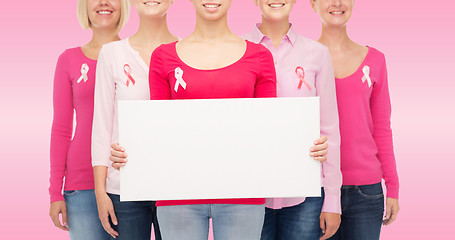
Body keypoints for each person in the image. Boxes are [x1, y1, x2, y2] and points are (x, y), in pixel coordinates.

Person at [243, 1, 342, 240]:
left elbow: (329, 128)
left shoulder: (317, 53)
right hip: (249, 192)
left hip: (305, 195)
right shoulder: (236, 49)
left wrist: (332, 200)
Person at [311, 0, 400, 239]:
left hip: (366, 191)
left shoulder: (375, 60)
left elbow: (382, 128)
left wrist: (392, 186)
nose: (337, 3)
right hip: (316, 189)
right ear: (312, 4)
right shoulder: (304, 60)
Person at [91, 0, 178, 239]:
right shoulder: (112, 54)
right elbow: (102, 126)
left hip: (174, 185)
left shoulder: (186, 51)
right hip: (123, 187)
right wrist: (101, 191)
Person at [49, 0, 129, 239]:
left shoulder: (135, 56)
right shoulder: (69, 60)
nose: (103, 2)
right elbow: (61, 130)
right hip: (81, 185)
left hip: (125, 179)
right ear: (84, 6)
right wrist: (55, 193)